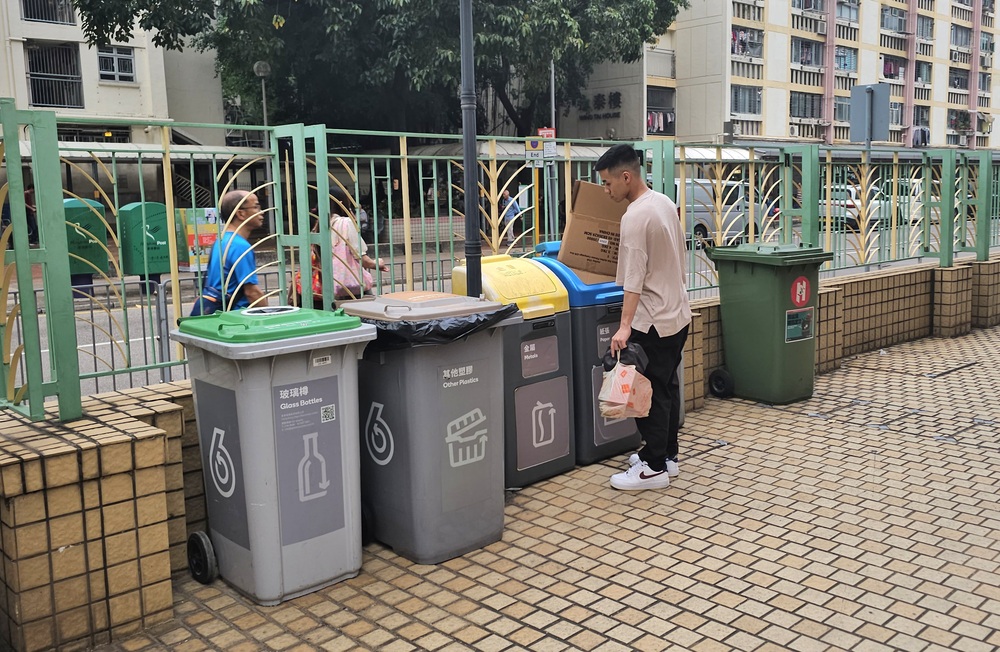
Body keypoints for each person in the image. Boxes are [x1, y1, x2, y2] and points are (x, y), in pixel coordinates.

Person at [596, 144, 692, 491]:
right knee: (666, 387)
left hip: (652, 320)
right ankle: (667, 456)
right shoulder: (663, 202)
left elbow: (634, 279)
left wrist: (624, 327)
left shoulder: (635, 217)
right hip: (676, 314)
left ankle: (652, 468)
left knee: (648, 392)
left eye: (607, 183)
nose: (605, 191)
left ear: (626, 177)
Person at [191, 190, 267, 314]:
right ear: (241, 213)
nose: (261, 212)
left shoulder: (221, 240)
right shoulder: (240, 246)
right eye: (256, 207)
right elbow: (252, 292)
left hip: (218, 314)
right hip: (236, 316)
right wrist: (268, 316)